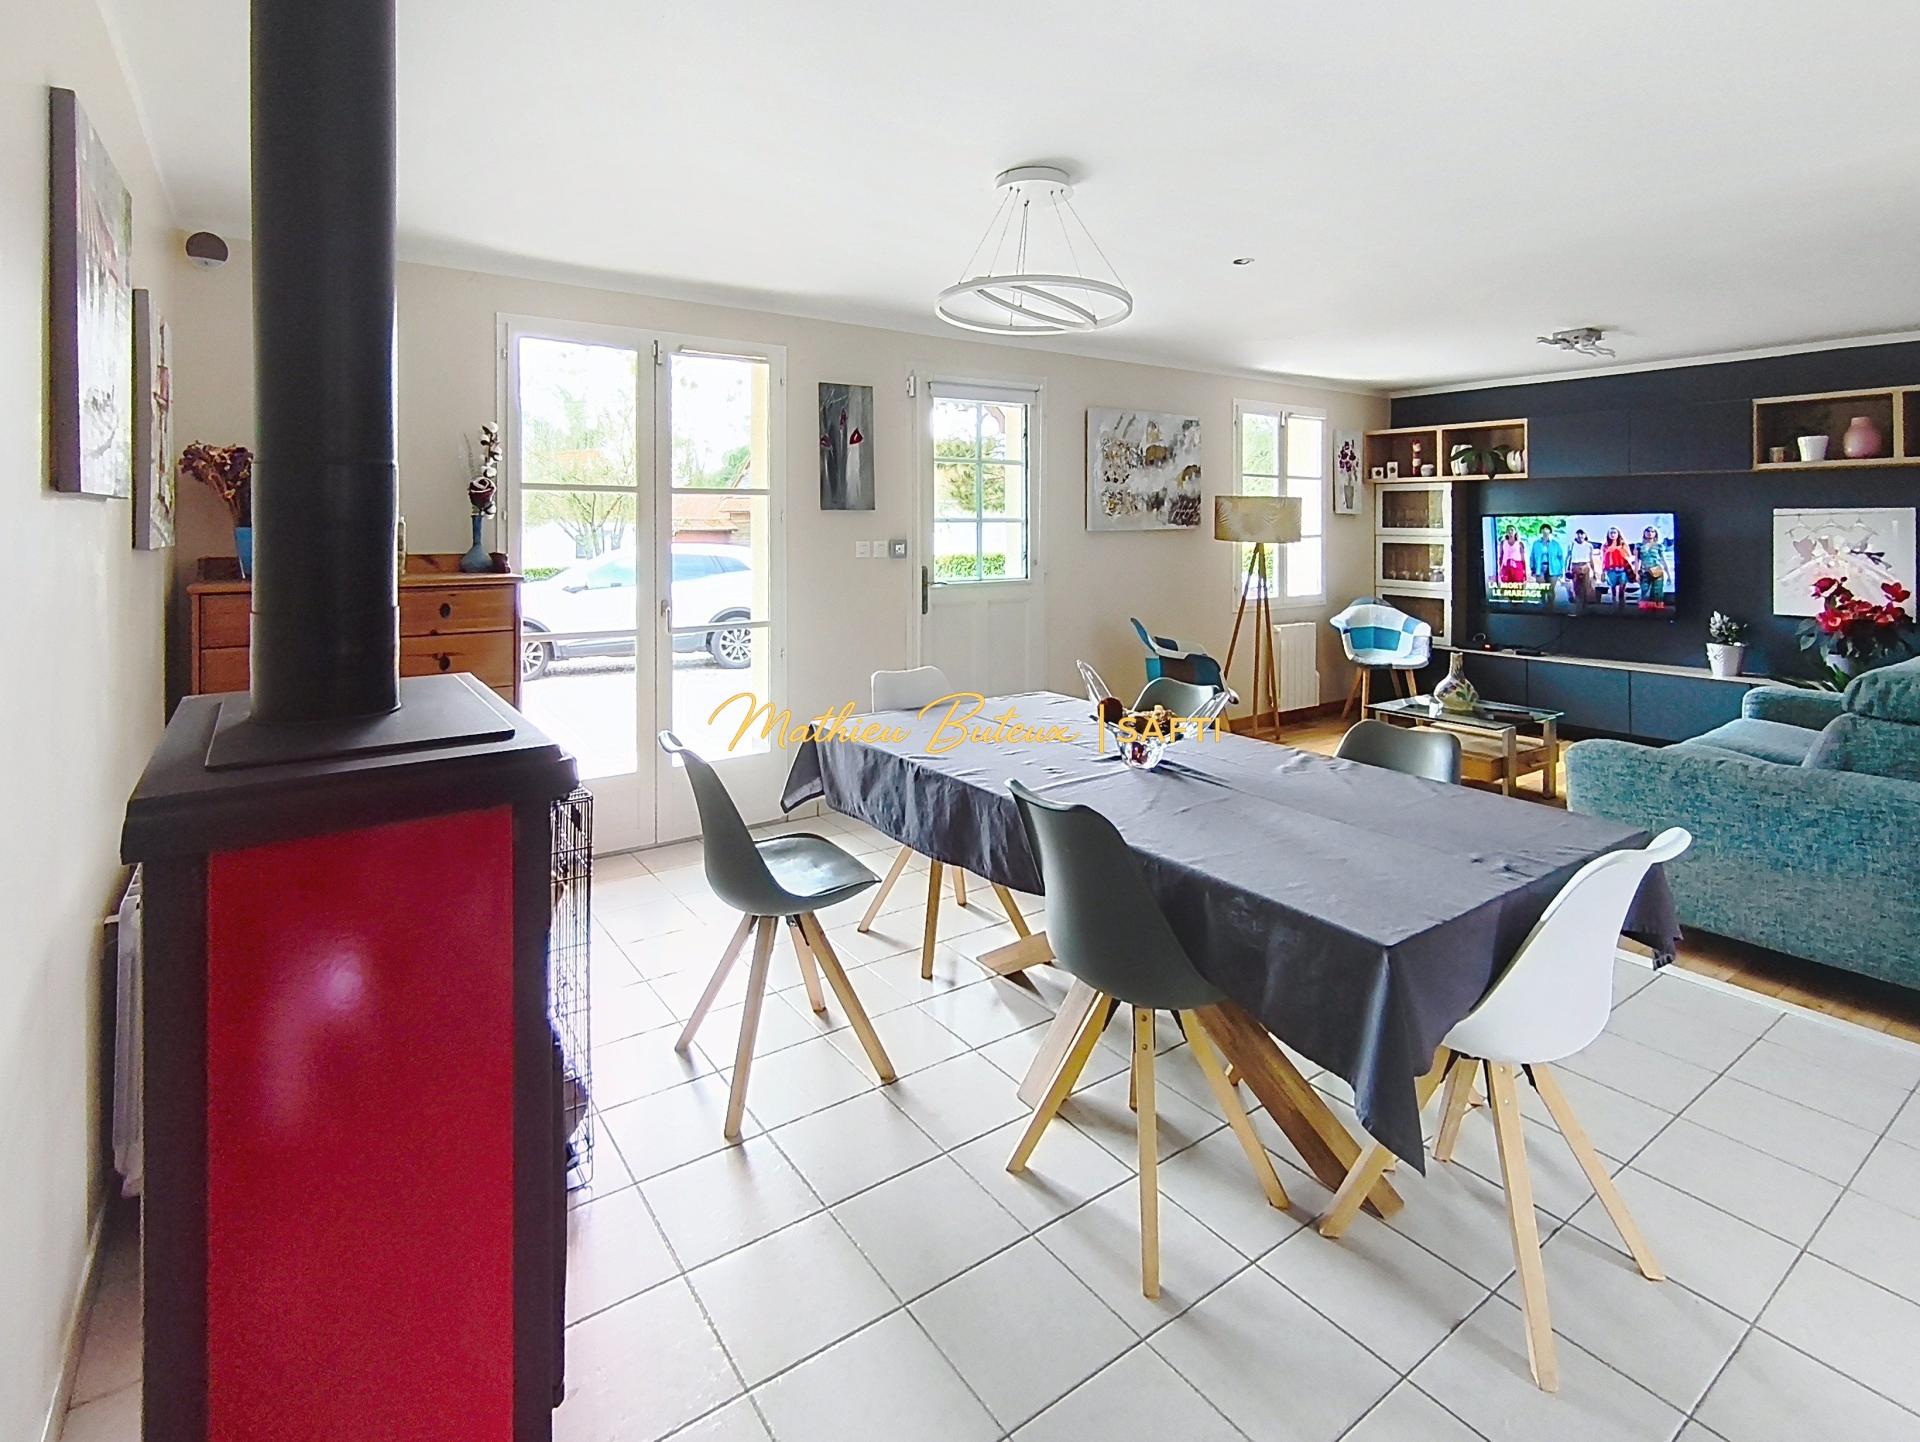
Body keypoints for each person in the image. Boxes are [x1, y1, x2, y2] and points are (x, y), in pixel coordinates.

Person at [1528, 522, 1570, 610]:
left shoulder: (1555, 544)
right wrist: (1532, 568)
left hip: (1553, 569)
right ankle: (1543, 605)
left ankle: (1550, 607)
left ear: (1550, 532)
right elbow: (1532, 556)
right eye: (1543, 529)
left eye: (1547, 529)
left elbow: (1560, 557)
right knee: (1542, 588)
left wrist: (1561, 571)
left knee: (1551, 589)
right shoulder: (1536, 543)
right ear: (1541, 531)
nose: (1545, 531)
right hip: (1540, 568)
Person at [1600, 526, 1635, 609]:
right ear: (1608, 535)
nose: (1613, 534)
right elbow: (1603, 559)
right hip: (1611, 570)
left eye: (1614, 533)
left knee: (1622, 589)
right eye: (1611, 533)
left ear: (1618, 534)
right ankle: (1614, 606)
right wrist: (1602, 571)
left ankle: (1622, 606)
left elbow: (1629, 555)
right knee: (1613, 589)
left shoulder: (1623, 544)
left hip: (1622, 569)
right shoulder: (1605, 546)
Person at [1636, 526, 1670, 610]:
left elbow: (1663, 560)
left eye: (1652, 531)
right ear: (1644, 533)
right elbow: (1637, 560)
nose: (1650, 533)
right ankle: (1645, 612)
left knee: (1657, 592)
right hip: (1644, 571)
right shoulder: (1639, 546)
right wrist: (1636, 573)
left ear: (1655, 534)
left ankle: (1657, 611)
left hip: (1657, 571)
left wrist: (1669, 575)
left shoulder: (1659, 546)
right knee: (1644, 591)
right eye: (1648, 531)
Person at [1567, 527, 1598, 610]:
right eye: (1578, 534)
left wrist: (1594, 571)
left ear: (1585, 535)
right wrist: (1567, 570)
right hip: (1575, 566)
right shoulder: (1572, 544)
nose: (1580, 536)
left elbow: (1591, 559)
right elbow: (1568, 557)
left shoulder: (1589, 546)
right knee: (1576, 587)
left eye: (1582, 534)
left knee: (1586, 587)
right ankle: (1578, 605)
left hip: (1585, 566)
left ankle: (1584, 605)